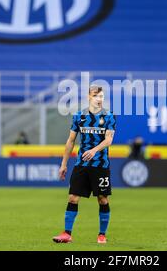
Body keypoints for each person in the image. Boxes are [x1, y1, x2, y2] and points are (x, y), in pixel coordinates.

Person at [53, 86, 116, 244]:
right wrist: (64, 164)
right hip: (81, 164)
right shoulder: (79, 116)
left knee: (102, 199)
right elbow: (71, 141)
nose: (99, 99)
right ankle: (67, 234)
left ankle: (102, 234)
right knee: (73, 197)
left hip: (100, 165)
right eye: (96, 96)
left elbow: (108, 140)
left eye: (101, 96)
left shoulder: (109, 116)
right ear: (89, 97)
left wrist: (94, 150)